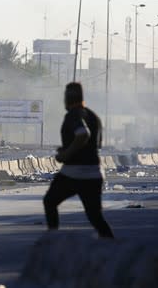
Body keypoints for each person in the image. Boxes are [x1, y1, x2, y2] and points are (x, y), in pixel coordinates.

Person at [43, 82, 114, 238]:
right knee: (95, 216)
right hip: (94, 173)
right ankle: (111, 246)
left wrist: (65, 154)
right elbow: (89, 144)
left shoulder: (73, 115)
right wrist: (67, 149)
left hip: (73, 173)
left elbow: (83, 134)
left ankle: (52, 240)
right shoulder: (93, 116)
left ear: (67, 98)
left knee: (50, 201)